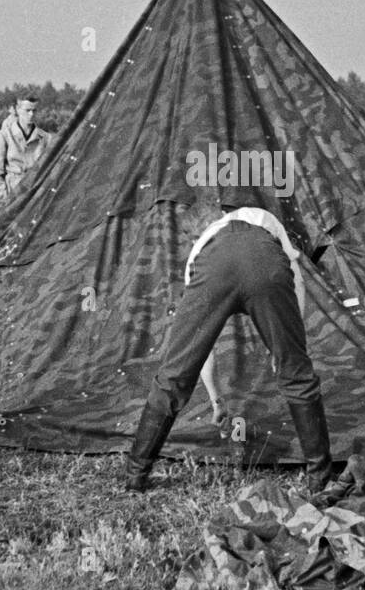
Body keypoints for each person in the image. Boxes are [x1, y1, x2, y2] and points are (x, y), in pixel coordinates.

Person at [124, 205, 333, 495]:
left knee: (174, 374)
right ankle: (319, 480)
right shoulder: (266, 219)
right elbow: (295, 279)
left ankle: (136, 476)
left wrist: (216, 398)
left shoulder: (201, 248)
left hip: (214, 268)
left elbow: (200, 350)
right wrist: (288, 345)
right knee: (296, 373)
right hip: (266, 263)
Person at [0, 96, 54, 201]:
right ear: (18, 109)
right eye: (28, 110)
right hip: (12, 195)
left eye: (34, 111)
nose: (31, 114)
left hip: (37, 195)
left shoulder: (46, 138)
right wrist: (1, 199)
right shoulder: (4, 136)